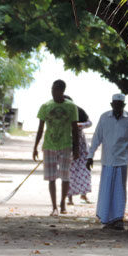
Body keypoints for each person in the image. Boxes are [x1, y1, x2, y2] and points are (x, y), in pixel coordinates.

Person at [87, 94, 128, 230]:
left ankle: (118, 219)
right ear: (111, 104)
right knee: (106, 190)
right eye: (115, 104)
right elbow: (97, 137)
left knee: (119, 190)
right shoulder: (104, 118)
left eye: (120, 104)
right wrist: (90, 156)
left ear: (123, 105)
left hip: (121, 160)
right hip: (107, 160)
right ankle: (106, 219)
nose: (117, 107)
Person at [33, 80, 79, 216]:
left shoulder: (71, 107)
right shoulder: (45, 106)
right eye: (52, 90)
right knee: (51, 177)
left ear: (62, 91)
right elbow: (40, 128)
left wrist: (76, 148)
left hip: (65, 145)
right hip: (49, 145)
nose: (53, 92)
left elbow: (75, 129)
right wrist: (35, 147)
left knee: (65, 176)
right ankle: (54, 207)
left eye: (56, 90)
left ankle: (63, 202)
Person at [64, 96, 92, 205]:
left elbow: (89, 123)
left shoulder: (79, 110)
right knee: (69, 171)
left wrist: (80, 125)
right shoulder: (61, 113)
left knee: (84, 169)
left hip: (81, 145)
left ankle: (84, 194)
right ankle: (69, 197)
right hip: (68, 144)